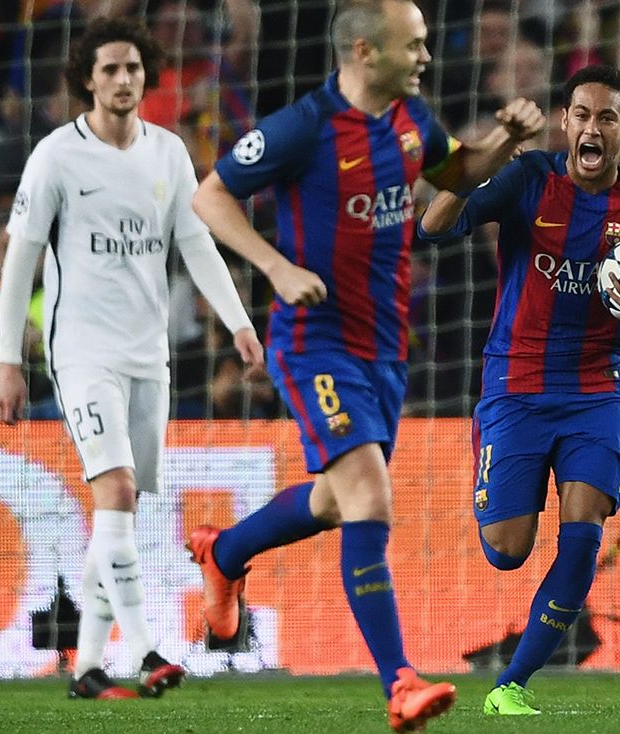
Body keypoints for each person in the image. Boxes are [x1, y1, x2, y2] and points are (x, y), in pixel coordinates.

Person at [187, 0, 544, 729]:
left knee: (333, 500)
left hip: (385, 348)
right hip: (312, 342)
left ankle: (223, 553)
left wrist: (502, 141)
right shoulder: (304, 126)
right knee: (370, 501)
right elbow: (211, 196)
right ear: (362, 50)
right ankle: (400, 682)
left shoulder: (412, 120)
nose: (425, 57)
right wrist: (276, 269)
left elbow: (460, 172)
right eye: (411, 46)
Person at [0, 17, 261, 702]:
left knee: (125, 511)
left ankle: (85, 664)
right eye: (109, 68)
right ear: (87, 78)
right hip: (82, 351)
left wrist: (237, 323)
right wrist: (6, 361)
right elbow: (20, 257)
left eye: (133, 68)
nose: (122, 79)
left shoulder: (168, 153)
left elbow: (196, 244)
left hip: (150, 356)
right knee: (112, 491)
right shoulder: (56, 156)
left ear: (147, 76)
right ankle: (142, 650)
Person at [418, 64, 620, 715]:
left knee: (584, 529)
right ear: (565, 122)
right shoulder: (529, 178)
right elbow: (434, 224)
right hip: (514, 388)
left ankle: (510, 685)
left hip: (597, 394)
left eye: (605, 117)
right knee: (507, 551)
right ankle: (499, 498)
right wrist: (489, 146)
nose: (590, 127)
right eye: (580, 114)